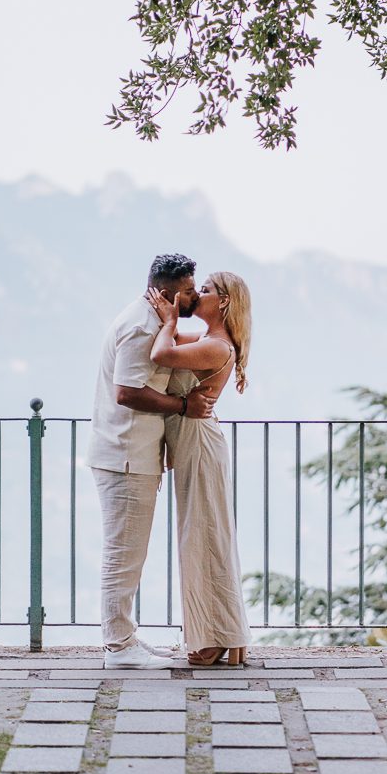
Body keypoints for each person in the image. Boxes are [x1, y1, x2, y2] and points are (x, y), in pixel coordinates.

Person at [87, 254, 217, 670]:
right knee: (123, 553)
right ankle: (118, 646)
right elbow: (127, 391)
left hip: (132, 453)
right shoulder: (143, 327)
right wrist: (182, 405)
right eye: (189, 291)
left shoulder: (152, 320)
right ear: (167, 292)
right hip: (126, 455)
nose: (195, 297)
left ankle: (124, 638)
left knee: (129, 552)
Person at [148, 272, 252, 667]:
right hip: (195, 441)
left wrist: (170, 320)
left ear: (223, 302)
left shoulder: (215, 347)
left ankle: (217, 636)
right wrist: (165, 319)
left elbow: (162, 354)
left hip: (201, 443)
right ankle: (222, 632)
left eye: (204, 291)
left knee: (205, 537)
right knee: (203, 535)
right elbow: (166, 344)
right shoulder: (211, 342)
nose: (197, 295)